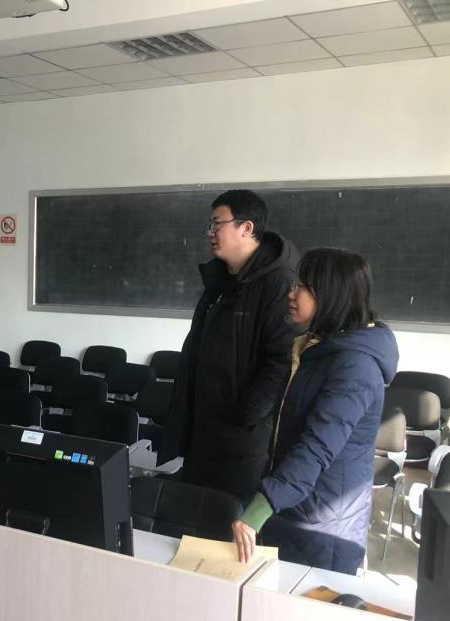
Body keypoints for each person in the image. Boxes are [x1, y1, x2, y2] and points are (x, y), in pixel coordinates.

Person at [232, 248, 399, 574]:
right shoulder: (318, 348)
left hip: (324, 526)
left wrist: (259, 509)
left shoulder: (355, 366)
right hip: (296, 506)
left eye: (302, 286)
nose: (291, 294)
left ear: (330, 295)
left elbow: (316, 447)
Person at [165, 190, 298, 498]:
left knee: (226, 517)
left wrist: (243, 415)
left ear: (246, 228)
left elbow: (282, 360)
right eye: (210, 225)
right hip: (205, 430)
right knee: (193, 513)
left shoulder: (277, 283)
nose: (210, 232)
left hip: (242, 442)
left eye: (217, 223)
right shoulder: (222, 281)